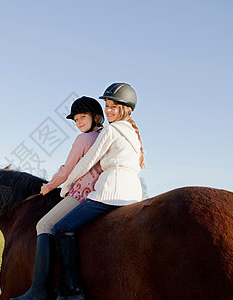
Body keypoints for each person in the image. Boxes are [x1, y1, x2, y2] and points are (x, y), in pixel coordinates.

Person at [53, 82, 146, 299]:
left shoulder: (112, 129)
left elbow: (87, 163)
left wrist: (66, 186)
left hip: (110, 193)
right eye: (108, 106)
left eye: (114, 107)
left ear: (127, 109)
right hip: (133, 194)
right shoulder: (133, 132)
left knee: (62, 227)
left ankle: (71, 290)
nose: (109, 111)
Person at [12, 96, 104, 300]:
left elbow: (67, 170)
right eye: (76, 119)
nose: (78, 122)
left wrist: (49, 186)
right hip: (102, 192)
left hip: (82, 194)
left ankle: (38, 290)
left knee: (44, 225)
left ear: (96, 117)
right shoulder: (105, 137)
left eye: (83, 117)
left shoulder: (83, 139)